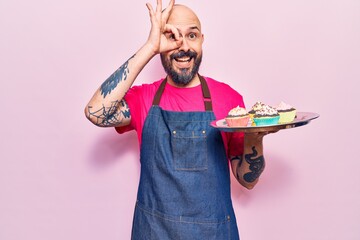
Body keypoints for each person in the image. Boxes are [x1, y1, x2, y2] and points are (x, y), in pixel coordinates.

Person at [85, 0, 271, 239]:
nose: (183, 46)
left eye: (192, 35)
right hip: (154, 232)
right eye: (172, 36)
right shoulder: (145, 98)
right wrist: (150, 47)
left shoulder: (229, 99)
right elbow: (95, 111)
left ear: (202, 40)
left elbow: (248, 180)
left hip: (213, 233)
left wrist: (255, 137)